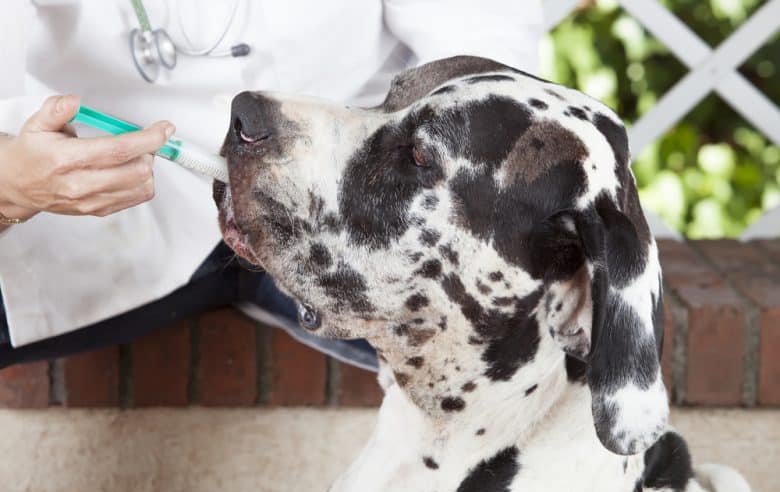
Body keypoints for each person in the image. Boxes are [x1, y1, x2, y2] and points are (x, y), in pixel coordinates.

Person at [0, 0, 544, 370]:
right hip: (93, 213)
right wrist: (13, 184)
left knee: (540, 363)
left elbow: (487, 64)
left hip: (350, 204)